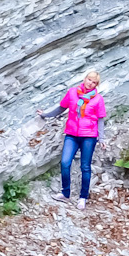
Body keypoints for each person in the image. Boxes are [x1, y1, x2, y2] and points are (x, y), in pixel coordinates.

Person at [39, 71, 107, 202]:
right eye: (89, 80)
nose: (90, 83)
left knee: (85, 166)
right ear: (85, 78)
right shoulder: (72, 92)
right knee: (65, 162)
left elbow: (100, 119)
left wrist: (101, 138)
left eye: (94, 82)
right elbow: (61, 108)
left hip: (89, 136)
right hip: (71, 134)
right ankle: (65, 193)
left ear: (96, 85)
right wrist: (45, 115)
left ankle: (83, 197)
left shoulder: (98, 99)